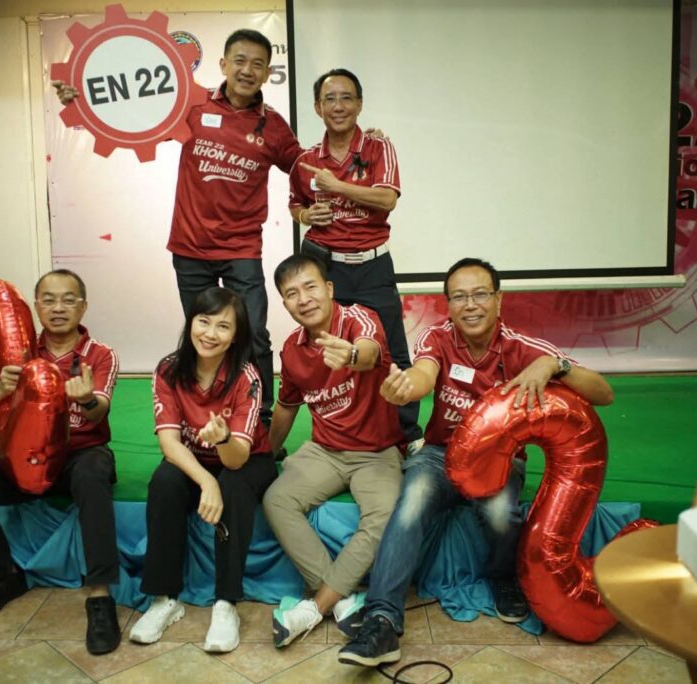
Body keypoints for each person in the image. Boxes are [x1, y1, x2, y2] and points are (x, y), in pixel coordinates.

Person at [338, 257, 615, 667]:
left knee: (501, 513)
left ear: (499, 299)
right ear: (448, 305)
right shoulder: (437, 337)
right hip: (440, 456)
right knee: (411, 503)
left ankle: (504, 577)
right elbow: (424, 374)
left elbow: (605, 393)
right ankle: (382, 620)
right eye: (459, 297)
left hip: (499, 461)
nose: (470, 305)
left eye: (480, 294)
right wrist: (406, 388)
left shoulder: (525, 348)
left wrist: (555, 365)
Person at [56, 29, 300, 426]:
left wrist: (345, 153)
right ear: (223, 64)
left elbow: (303, 168)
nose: (247, 70)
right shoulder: (193, 104)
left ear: (267, 73)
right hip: (190, 249)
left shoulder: (272, 125)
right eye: (240, 61)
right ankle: (202, 417)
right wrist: (80, 100)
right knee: (204, 338)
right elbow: (133, 116)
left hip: (241, 250)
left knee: (253, 333)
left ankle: (259, 421)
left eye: (257, 64)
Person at [0, 269, 122, 655]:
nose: (58, 308)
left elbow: (99, 411)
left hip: (82, 454)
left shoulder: (100, 354)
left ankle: (100, 597)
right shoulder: (15, 354)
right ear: (36, 306)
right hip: (29, 457)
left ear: (83, 306)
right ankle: (3, 578)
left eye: (68, 300)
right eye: (49, 300)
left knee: (93, 477)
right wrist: (0, 387)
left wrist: (86, 399)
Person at [263, 254, 404, 647]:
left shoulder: (360, 319)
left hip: (376, 452)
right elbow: (287, 406)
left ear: (329, 288)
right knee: (276, 500)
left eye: (310, 287)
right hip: (324, 450)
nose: (303, 299)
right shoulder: (292, 348)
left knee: (384, 516)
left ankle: (316, 606)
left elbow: (369, 351)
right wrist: (268, 453)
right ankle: (342, 602)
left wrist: (352, 356)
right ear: (285, 304)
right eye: (292, 294)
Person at [129, 287, 277, 653]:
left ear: (236, 336)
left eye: (223, 326)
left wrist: (223, 439)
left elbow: (237, 459)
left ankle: (226, 604)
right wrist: (206, 480)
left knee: (234, 485)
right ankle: (164, 599)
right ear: (190, 322)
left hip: (245, 459)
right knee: (164, 480)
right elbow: (169, 444)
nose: (210, 334)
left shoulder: (247, 377)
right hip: (196, 460)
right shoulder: (168, 369)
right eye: (203, 321)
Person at [288, 68, 422, 450]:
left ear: (359, 104)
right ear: (317, 107)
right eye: (329, 99)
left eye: (346, 98)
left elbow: (387, 199)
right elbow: (295, 203)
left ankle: (407, 436)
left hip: (372, 265)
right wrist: (305, 215)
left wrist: (338, 186)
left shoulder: (379, 148)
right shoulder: (306, 159)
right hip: (325, 265)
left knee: (392, 350)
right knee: (328, 349)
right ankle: (341, 432)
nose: (338, 106)